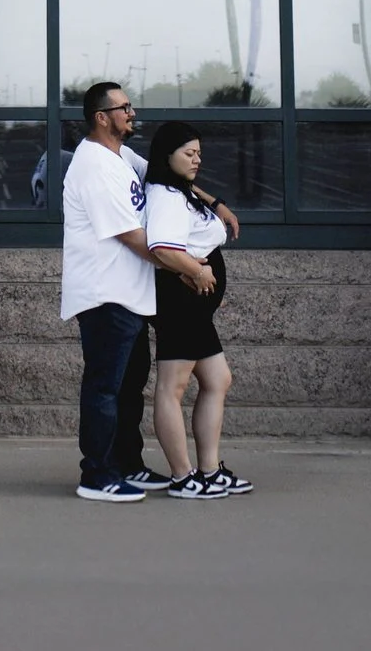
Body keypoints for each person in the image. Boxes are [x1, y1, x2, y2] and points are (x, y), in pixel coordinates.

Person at [59, 81, 173, 503]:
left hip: (130, 295)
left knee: (128, 387)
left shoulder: (120, 156)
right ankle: (96, 474)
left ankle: (127, 464)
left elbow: (163, 175)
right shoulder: (93, 166)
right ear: (101, 117)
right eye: (124, 107)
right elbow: (133, 237)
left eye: (131, 105)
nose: (132, 112)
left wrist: (212, 203)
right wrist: (185, 266)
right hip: (105, 295)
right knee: (104, 387)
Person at [141, 121, 252, 501]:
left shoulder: (178, 189)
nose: (196, 160)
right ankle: (182, 476)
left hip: (193, 305)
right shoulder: (166, 198)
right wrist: (199, 271)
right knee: (173, 387)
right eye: (188, 153)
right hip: (179, 301)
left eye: (199, 153)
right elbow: (162, 248)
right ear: (166, 155)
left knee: (217, 380)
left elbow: (189, 188)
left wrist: (216, 203)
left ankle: (209, 470)